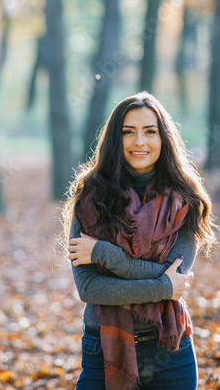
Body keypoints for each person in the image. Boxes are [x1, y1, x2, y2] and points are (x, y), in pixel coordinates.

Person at [62, 92, 216, 390]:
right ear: (114, 139)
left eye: (150, 131)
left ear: (164, 138)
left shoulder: (186, 200)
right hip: (102, 345)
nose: (139, 142)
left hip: (170, 350)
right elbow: (90, 288)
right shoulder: (91, 198)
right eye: (128, 132)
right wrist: (161, 287)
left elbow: (177, 277)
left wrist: (104, 253)